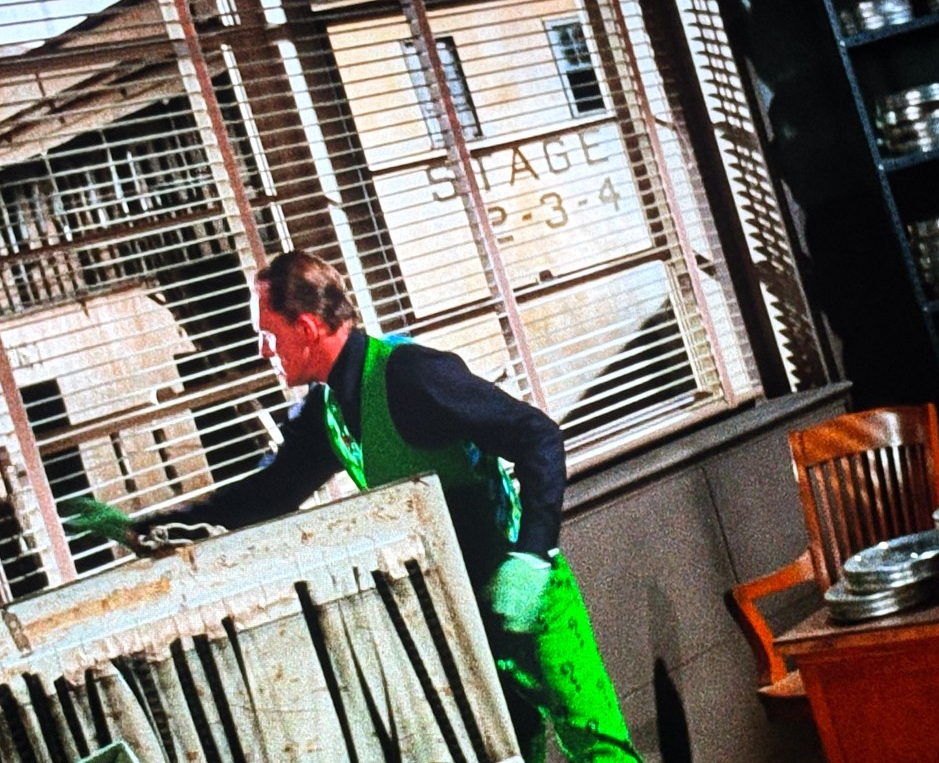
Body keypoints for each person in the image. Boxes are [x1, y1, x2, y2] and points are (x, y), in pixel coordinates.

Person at [72, 251, 640, 762]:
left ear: (309, 327)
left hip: (529, 598)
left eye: (268, 333)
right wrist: (142, 528)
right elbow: (265, 495)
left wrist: (533, 554)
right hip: (463, 614)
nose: (262, 350)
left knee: (600, 751)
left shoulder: (412, 373)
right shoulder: (327, 412)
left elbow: (538, 436)